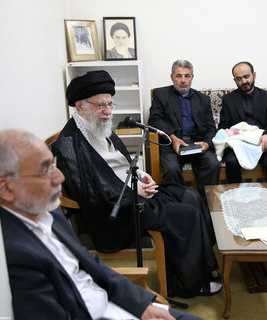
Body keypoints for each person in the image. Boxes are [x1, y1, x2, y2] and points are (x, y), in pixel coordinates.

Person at [0, 129, 202, 320]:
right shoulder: (12, 253)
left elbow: (92, 265)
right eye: (45, 171)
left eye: (54, 165)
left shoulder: (47, 211)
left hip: (117, 303)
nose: (60, 177)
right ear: (6, 189)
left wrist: (141, 305)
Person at [52, 70, 221, 298]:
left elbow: (122, 163)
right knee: (184, 215)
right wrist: (134, 190)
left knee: (189, 196)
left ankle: (205, 266)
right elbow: (89, 193)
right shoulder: (69, 145)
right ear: (80, 106)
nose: (108, 112)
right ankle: (189, 283)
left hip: (132, 194)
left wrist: (142, 176)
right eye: (101, 105)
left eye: (110, 104)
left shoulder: (100, 127)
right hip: (115, 213)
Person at [148, 60, 219, 195]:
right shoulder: (160, 95)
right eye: (179, 76)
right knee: (171, 169)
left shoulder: (203, 99)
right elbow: (154, 120)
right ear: (172, 77)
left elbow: (210, 127)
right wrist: (172, 137)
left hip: (196, 143)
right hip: (172, 144)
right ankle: (181, 205)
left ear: (192, 77)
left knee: (212, 163)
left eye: (187, 76)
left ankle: (206, 206)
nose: (183, 80)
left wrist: (207, 143)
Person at [219, 61, 267, 183]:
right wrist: (230, 133)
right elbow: (223, 125)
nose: (243, 81)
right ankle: (236, 199)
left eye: (246, 76)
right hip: (239, 143)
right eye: (239, 79)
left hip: (262, 142)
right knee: (231, 162)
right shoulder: (228, 99)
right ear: (235, 80)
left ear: (254, 75)